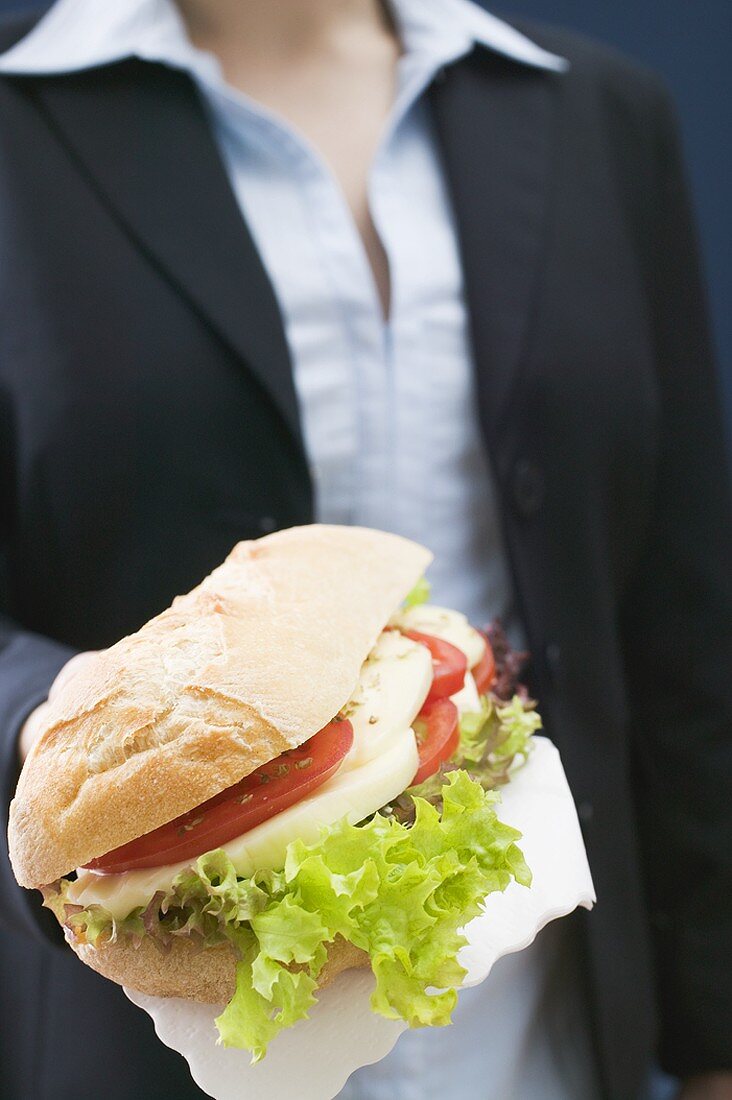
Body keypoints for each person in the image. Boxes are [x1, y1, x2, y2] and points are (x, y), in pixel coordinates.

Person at [0, 0, 729, 1097]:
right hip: (152, 1050)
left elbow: (684, 620)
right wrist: (64, 726)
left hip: (545, 1036)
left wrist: (717, 1040)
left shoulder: (599, 111)